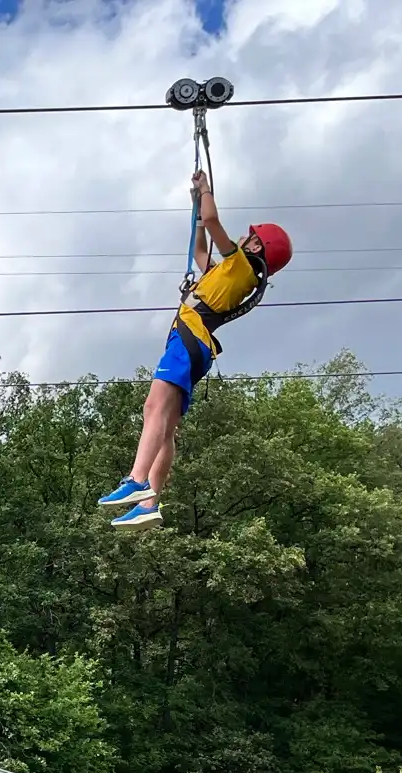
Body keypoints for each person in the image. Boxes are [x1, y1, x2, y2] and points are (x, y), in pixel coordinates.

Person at [99, 170, 291, 531]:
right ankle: (149, 504)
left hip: (188, 337)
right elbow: (201, 250)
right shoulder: (234, 276)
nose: (243, 236)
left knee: (153, 407)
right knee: (167, 427)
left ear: (255, 247)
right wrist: (197, 217)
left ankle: (137, 480)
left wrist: (205, 192)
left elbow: (215, 220)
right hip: (198, 344)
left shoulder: (239, 265)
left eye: (250, 236)